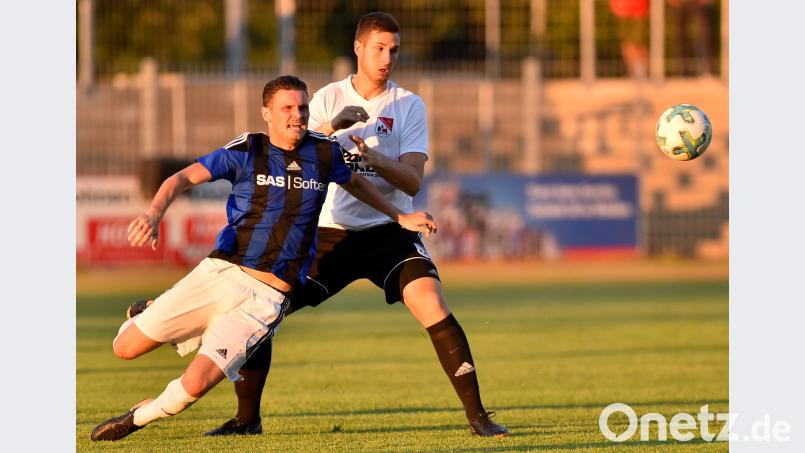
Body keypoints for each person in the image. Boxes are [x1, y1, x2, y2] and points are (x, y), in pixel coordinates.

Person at [202, 11, 509, 437]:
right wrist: (331, 127)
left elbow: (412, 180)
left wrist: (373, 157)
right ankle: (246, 419)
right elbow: (292, 153)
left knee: (431, 302)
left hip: (389, 230)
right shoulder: (326, 98)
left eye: (394, 50)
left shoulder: (408, 105)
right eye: (379, 49)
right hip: (331, 232)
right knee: (263, 309)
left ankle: (478, 418)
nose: (387, 58)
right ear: (358, 48)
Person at [90, 75, 436, 441]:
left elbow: (355, 182)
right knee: (124, 348)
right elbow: (182, 179)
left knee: (192, 388)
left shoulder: (324, 153)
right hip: (222, 275)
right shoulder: (247, 149)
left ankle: (137, 418)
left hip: (267, 301)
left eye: (303, 107)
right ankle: (151, 311)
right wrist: (153, 213)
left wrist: (400, 216)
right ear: (266, 113)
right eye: (287, 108)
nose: (297, 114)